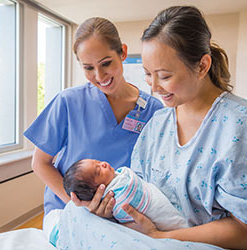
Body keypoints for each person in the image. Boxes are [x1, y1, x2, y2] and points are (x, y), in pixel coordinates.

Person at [55, 6, 247, 250]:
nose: (154, 87)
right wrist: (111, 211)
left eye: (164, 75)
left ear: (202, 66)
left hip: (204, 242)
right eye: (148, 74)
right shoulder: (158, 125)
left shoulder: (240, 127)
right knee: (76, 215)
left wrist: (159, 237)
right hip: (154, 234)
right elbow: (139, 192)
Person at [23, 17, 163, 235]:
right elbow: (40, 163)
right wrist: (80, 206)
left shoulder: (152, 110)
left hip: (122, 216)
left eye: (106, 63)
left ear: (123, 53)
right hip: (67, 211)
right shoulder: (68, 102)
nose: (99, 76)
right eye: (89, 68)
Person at [63, 159, 188, 229]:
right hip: (159, 216)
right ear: (97, 190)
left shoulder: (118, 177)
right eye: (98, 171)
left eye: (98, 162)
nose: (103, 164)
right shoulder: (119, 193)